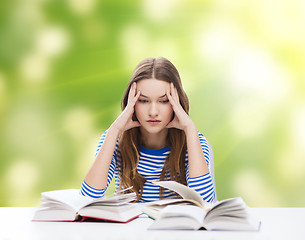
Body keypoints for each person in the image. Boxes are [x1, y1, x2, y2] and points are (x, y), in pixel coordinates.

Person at [80, 57, 216, 203]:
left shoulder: (194, 141)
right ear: (131, 102)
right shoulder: (114, 139)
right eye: (143, 100)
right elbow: (88, 197)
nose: (153, 112)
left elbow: (205, 203)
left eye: (164, 101)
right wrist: (114, 130)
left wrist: (190, 129)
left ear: (177, 102)